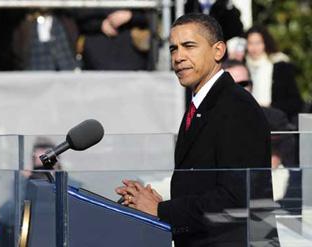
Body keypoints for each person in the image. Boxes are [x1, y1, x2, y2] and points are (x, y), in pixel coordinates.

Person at [116, 13, 277, 247]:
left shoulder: (236, 106)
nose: (179, 57)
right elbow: (204, 185)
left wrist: (162, 210)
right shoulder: (201, 104)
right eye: (173, 49)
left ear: (218, 51)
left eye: (189, 46)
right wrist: (154, 204)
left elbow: (236, 198)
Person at [245, 25, 303, 124]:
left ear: (266, 43)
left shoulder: (280, 65)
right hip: (249, 122)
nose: (254, 48)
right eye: (250, 43)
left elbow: (295, 102)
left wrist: (269, 107)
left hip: (276, 123)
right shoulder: (242, 67)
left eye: (258, 43)